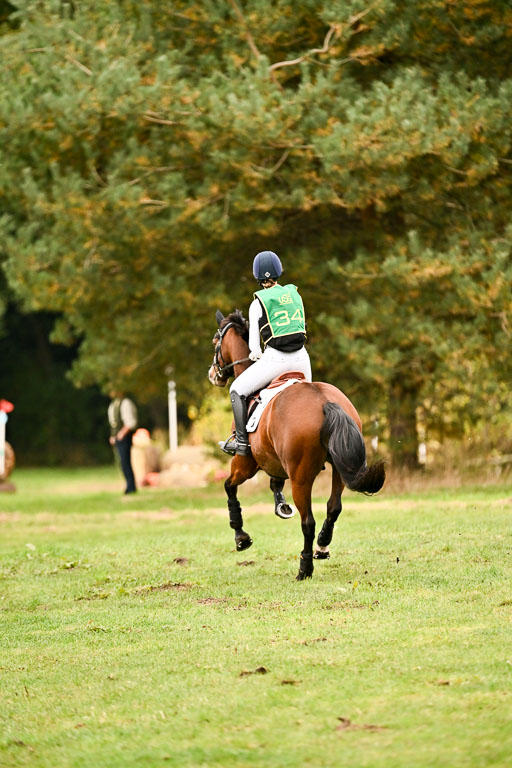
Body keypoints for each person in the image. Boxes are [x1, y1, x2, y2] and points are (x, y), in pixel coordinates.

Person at [220, 251, 312, 456]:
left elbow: (254, 347)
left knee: (236, 389)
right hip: (302, 359)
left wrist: (255, 354)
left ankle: (241, 443)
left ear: (257, 276)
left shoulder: (257, 302)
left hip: (276, 359)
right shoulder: (295, 294)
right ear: (279, 271)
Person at [108, 392, 138, 494]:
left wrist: (121, 434)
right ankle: (128, 485)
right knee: (122, 462)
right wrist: (113, 436)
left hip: (124, 437)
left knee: (126, 462)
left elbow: (130, 422)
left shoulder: (125, 403)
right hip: (117, 438)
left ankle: (131, 487)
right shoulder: (114, 404)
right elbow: (114, 423)